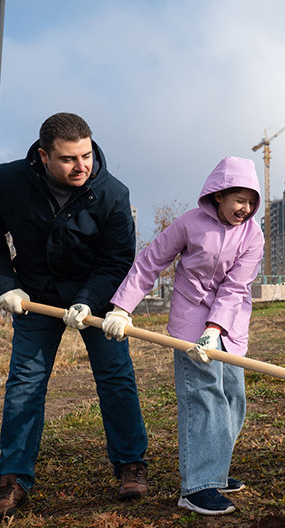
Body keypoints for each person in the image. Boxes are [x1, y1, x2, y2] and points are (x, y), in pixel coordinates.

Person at [0, 113, 149, 520]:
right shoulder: (10, 181)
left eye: (86, 155)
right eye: (69, 159)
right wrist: (4, 284)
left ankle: (131, 465)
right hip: (35, 295)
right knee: (25, 383)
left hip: (96, 298)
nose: (82, 166)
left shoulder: (112, 194)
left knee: (116, 378)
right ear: (44, 155)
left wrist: (89, 300)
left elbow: (118, 258)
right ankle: (12, 480)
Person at [101, 156, 263, 516]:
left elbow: (236, 288)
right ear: (218, 195)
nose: (245, 208)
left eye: (251, 201)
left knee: (233, 396)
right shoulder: (189, 224)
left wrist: (216, 329)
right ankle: (198, 486)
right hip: (190, 317)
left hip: (229, 321)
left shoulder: (253, 235)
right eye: (239, 199)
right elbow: (150, 263)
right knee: (203, 396)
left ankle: (215, 467)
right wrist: (122, 308)